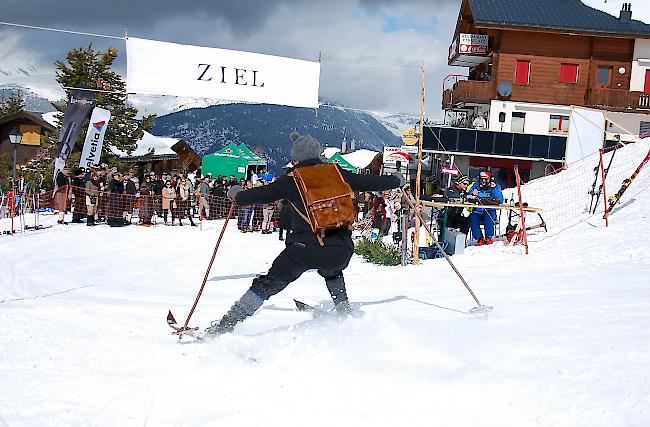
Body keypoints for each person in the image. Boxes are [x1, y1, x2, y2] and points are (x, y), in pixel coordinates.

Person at [204, 131, 403, 337]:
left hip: (303, 249)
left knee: (268, 284)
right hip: (340, 249)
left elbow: (258, 195)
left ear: (295, 158)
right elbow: (371, 183)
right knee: (332, 271)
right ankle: (344, 312)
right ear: (318, 154)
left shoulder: (292, 179)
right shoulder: (337, 172)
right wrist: (396, 180)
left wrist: (236, 193)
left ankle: (226, 325)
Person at [467, 170, 504, 246]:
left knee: (489, 219)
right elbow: (469, 196)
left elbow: (499, 200)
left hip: (489, 210)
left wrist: (493, 189)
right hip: (477, 210)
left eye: (486, 179)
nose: (483, 181)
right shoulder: (475, 185)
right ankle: (479, 238)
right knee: (473, 219)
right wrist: (472, 194)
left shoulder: (496, 186)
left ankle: (488, 237)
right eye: (482, 179)